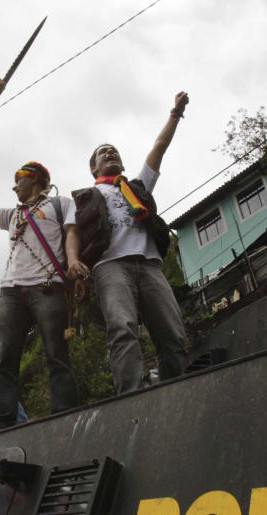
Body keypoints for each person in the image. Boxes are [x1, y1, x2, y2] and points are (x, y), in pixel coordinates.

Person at [0, 152, 87, 429]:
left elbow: (72, 232)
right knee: (3, 358)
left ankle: (65, 413)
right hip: (10, 290)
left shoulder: (60, 204)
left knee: (56, 352)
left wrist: (72, 261)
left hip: (48, 285)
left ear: (35, 179)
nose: (14, 187)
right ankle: (3, 422)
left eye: (19, 180)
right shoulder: (12, 214)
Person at [71, 91, 190, 394]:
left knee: (172, 333)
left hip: (149, 265)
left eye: (114, 151)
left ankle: (177, 389)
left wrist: (174, 113)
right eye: (103, 153)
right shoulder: (83, 198)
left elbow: (159, 148)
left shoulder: (137, 187)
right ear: (93, 169)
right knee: (123, 329)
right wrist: (74, 269)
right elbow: (71, 234)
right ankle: (131, 397)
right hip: (110, 267)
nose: (111, 154)